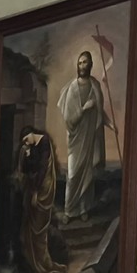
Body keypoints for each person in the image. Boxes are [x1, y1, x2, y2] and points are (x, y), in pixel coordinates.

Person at [57, 51, 110, 222]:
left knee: (88, 174)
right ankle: (69, 210)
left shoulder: (95, 86)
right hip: (75, 139)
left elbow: (100, 111)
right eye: (79, 63)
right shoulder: (71, 89)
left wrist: (110, 124)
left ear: (90, 64)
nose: (82, 66)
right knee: (72, 175)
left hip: (89, 139)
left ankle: (83, 208)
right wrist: (85, 108)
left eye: (85, 62)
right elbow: (69, 119)